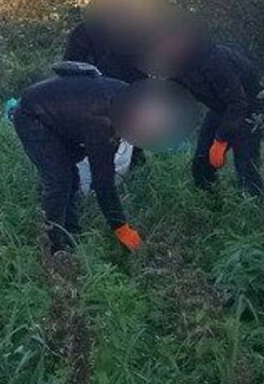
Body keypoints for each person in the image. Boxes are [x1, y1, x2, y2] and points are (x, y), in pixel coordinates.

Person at [11, 63, 168, 253]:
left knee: (70, 176)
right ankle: (53, 245)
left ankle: (71, 235)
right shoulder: (105, 122)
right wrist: (121, 228)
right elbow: (103, 183)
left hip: (62, 115)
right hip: (33, 115)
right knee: (59, 180)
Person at [161, 33, 264, 196]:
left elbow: (238, 103)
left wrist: (221, 139)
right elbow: (173, 94)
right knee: (201, 164)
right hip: (221, 109)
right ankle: (211, 207)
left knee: (246, 168)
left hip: (250, 109)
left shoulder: (215, 60)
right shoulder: (176, 66)